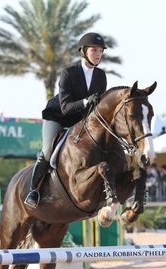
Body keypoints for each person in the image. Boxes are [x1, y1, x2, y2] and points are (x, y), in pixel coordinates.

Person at [24, 32, 107, 208]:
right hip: (58, 117)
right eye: (94, 50)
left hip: (80, 120)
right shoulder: (68, 73)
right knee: (47, 151)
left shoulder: (101, 76)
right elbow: (66, 107)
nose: (98, 54)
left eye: (100, 51)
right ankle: (33, 191)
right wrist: (86, 101)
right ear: (83, 51)